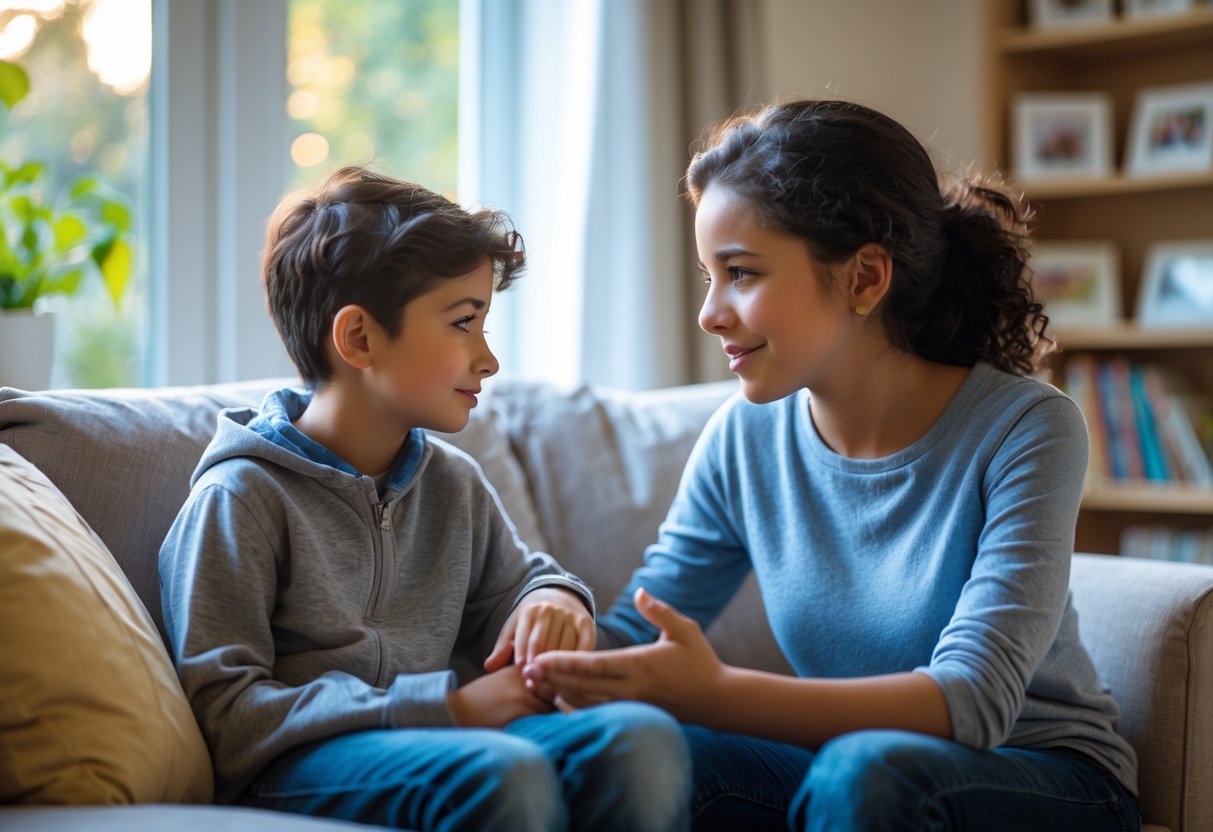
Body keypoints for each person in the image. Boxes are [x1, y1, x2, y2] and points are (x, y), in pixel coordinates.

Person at [523, 100, 1141, 831]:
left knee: (867, 771)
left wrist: (713, 691)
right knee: (632, 748)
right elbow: (635, 634)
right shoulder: (742, 438)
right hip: (852, 768)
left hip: (1044, 776)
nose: (709, 313)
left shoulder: (1026, 428)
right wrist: (558, 608)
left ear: (864, 278)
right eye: (706, 276)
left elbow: (973, 702)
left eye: (740, 273)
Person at [159, 165, 690, 832]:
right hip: (301, 765)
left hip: (441, 737)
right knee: (501, 774)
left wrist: (550, 599)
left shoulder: (451, 482)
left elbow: (522, 582)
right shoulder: (241, 497)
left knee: (636, 739)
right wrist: (450, 709)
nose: (488, 358)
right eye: (463, 323)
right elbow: (228, 715)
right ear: (358, 338)